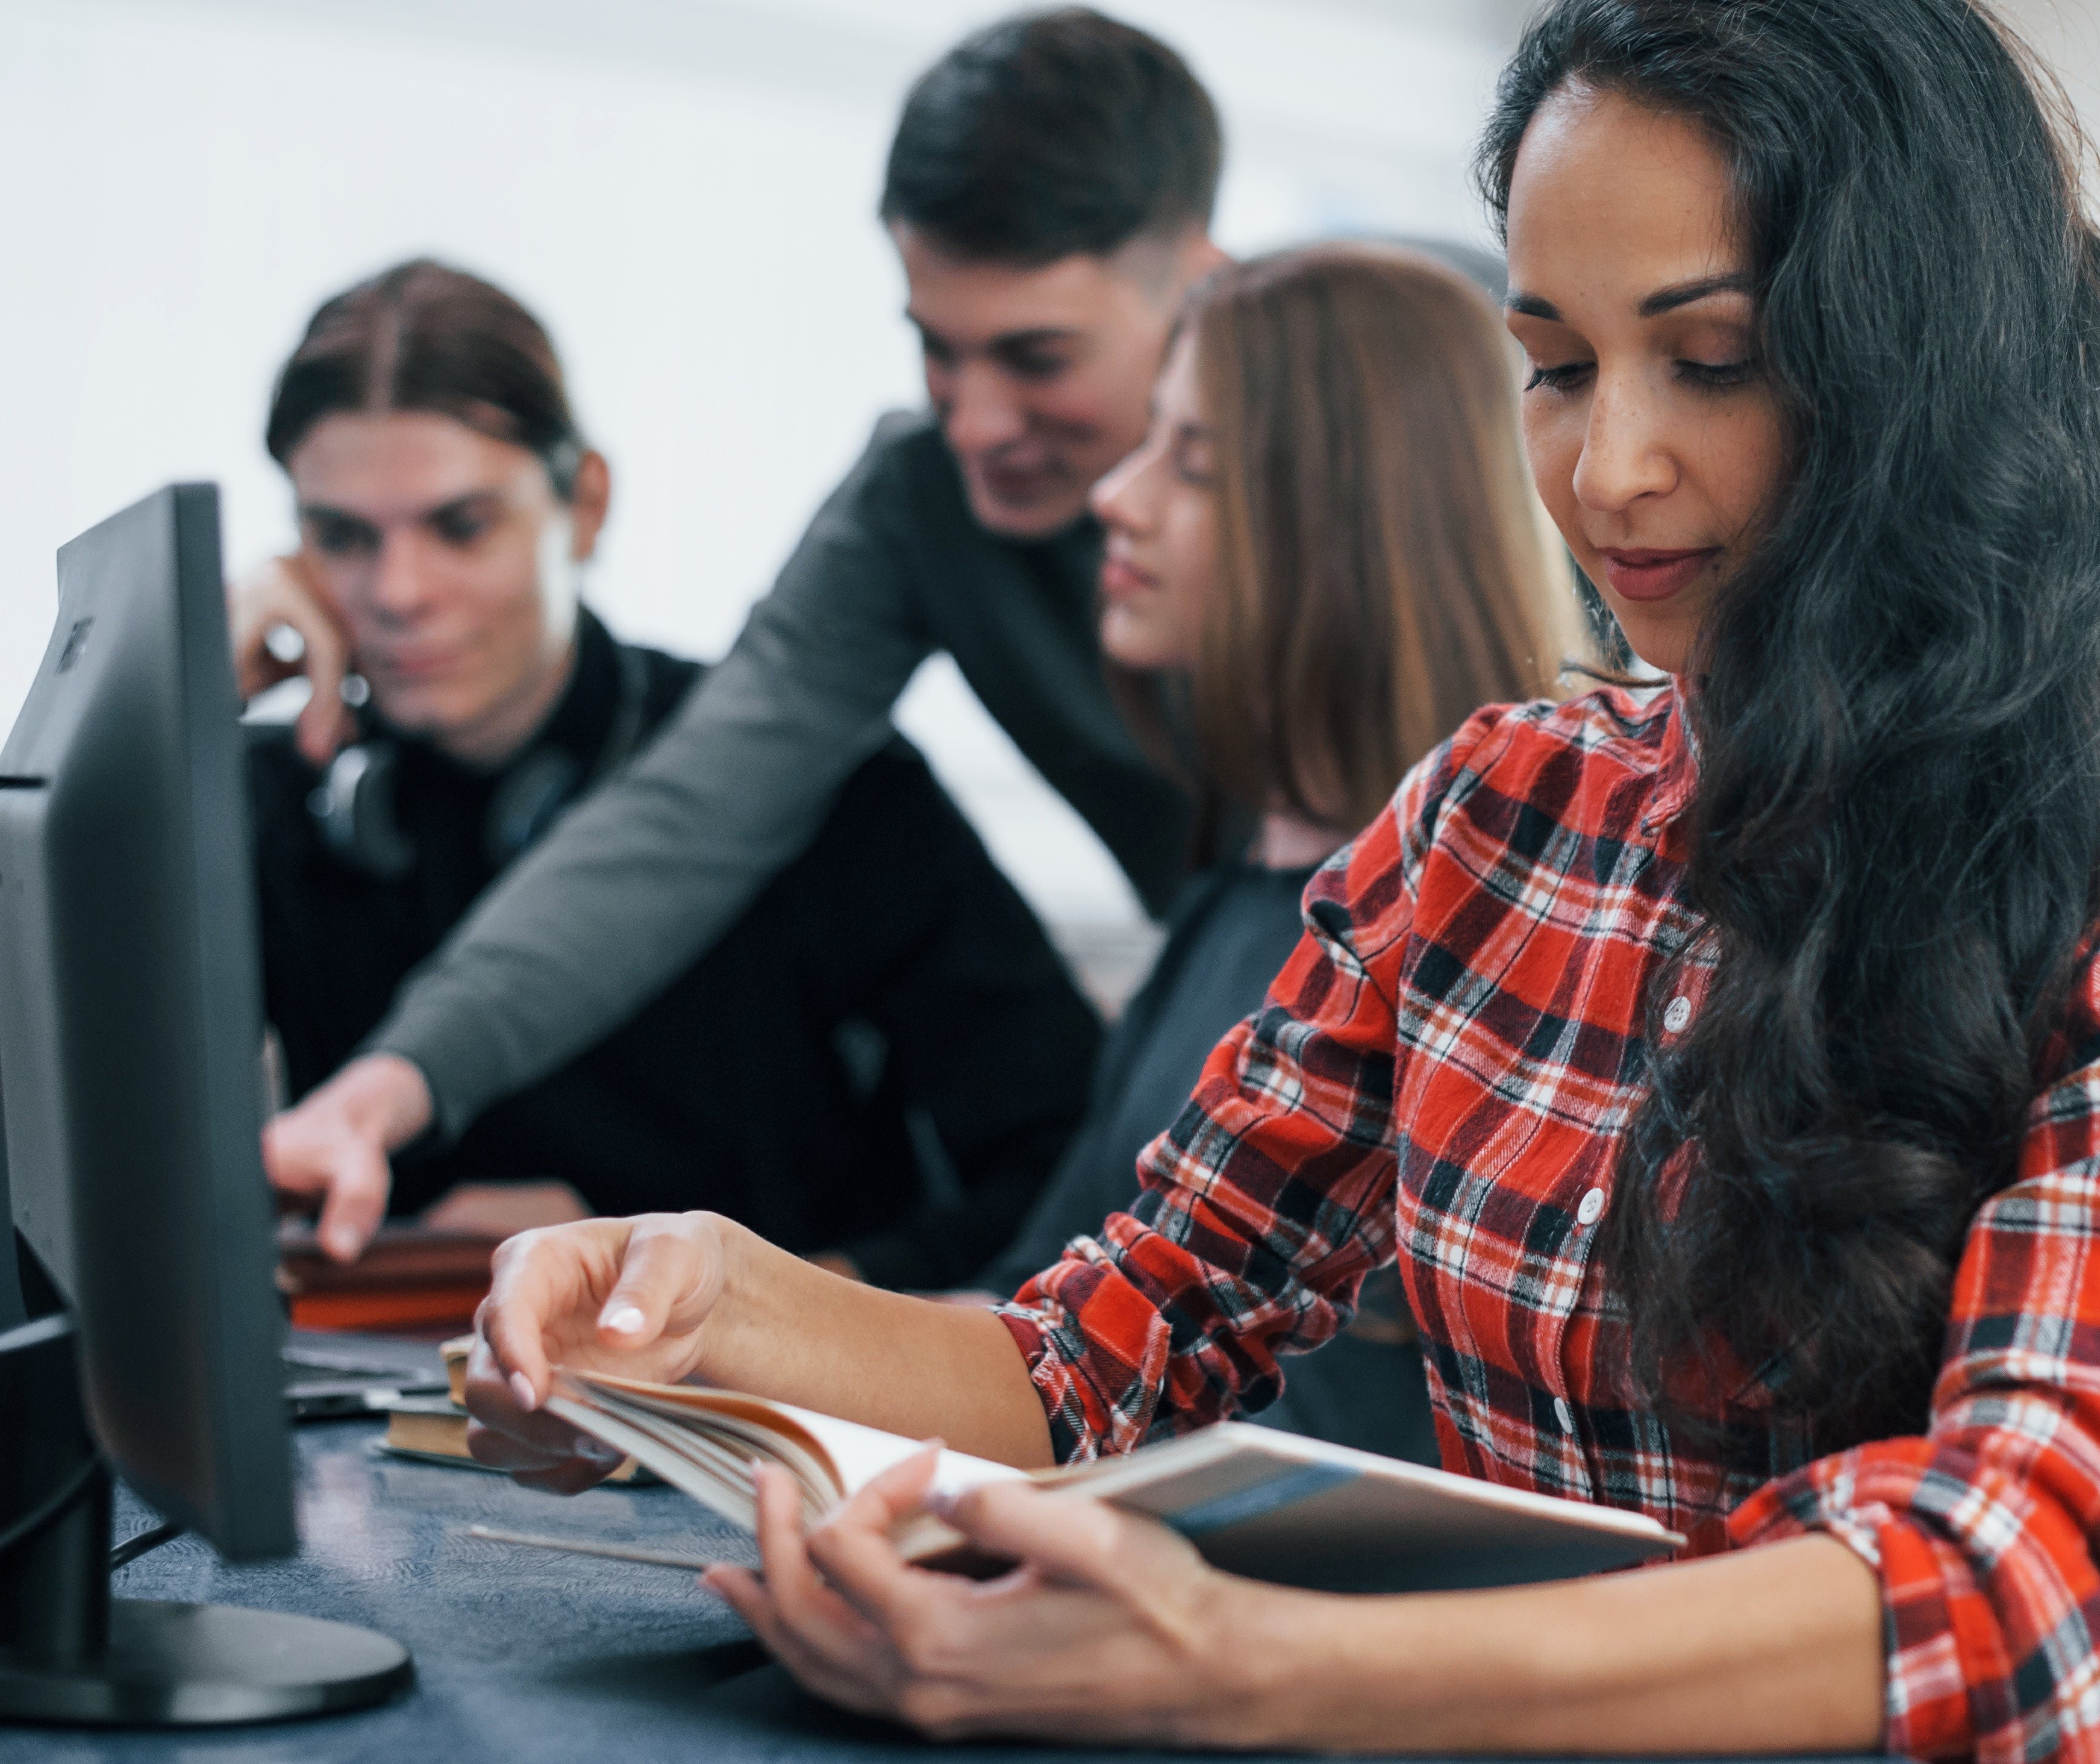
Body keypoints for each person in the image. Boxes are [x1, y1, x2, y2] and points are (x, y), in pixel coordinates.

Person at [460, 0, 2100, 1752]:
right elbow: (1116, 1345)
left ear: (1927, 362)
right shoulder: (1493, 814)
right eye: (1551, 366)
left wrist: (1253, 1669)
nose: (1605, 470)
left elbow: (2005, 1577)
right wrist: (706, 1306)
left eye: (1710, 361)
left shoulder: (2057, 864)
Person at [235, 10, 1232, 1256]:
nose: (974, 423)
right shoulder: (915, 500)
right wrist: (386, 1091)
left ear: (1204, 282)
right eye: (935, 348)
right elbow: (695, 813)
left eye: (1036, 357)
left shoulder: (1385, 443)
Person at [248, 258, 1102, 1289]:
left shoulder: (812, 776)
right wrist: (195, 684)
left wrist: (732, 1311)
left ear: (586, 505)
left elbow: (1073, 1167)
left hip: (780, 1421)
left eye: (461, 526)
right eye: (340, 537)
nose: (398, 592)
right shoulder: (271, 797)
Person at [970, 242, 1573, 1463]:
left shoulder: (1471, 942)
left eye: (1191, 464)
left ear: (1342, 520)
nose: (1115, 500)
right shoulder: (1238, 890)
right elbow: (1044, 1318)